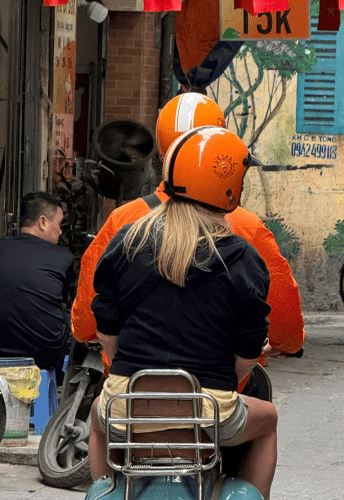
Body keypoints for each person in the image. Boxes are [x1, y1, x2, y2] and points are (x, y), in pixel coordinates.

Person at [87, 126, 277, 498]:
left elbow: (106, 331)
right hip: (208, 409)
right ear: (230, 185)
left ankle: (109, 486)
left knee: (98, 414)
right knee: (268, 421)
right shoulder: (240, 256)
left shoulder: (128, 238)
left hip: (128, 402)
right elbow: (248, 352)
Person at [71, 92, 305, 381]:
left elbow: (86, 322)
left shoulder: (124, 222)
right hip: (216, 395)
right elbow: (283, 322)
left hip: (131, 394)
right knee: (262, 417)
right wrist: (283, 344)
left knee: (101, 418)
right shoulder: (248, 228)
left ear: (160, 151)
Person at [0, 191, 74, 371]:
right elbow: (63, 300)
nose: (61, 231)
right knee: (71, 318)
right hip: (45, 354)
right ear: (43, 222)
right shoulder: (63, 257)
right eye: (59, 223)